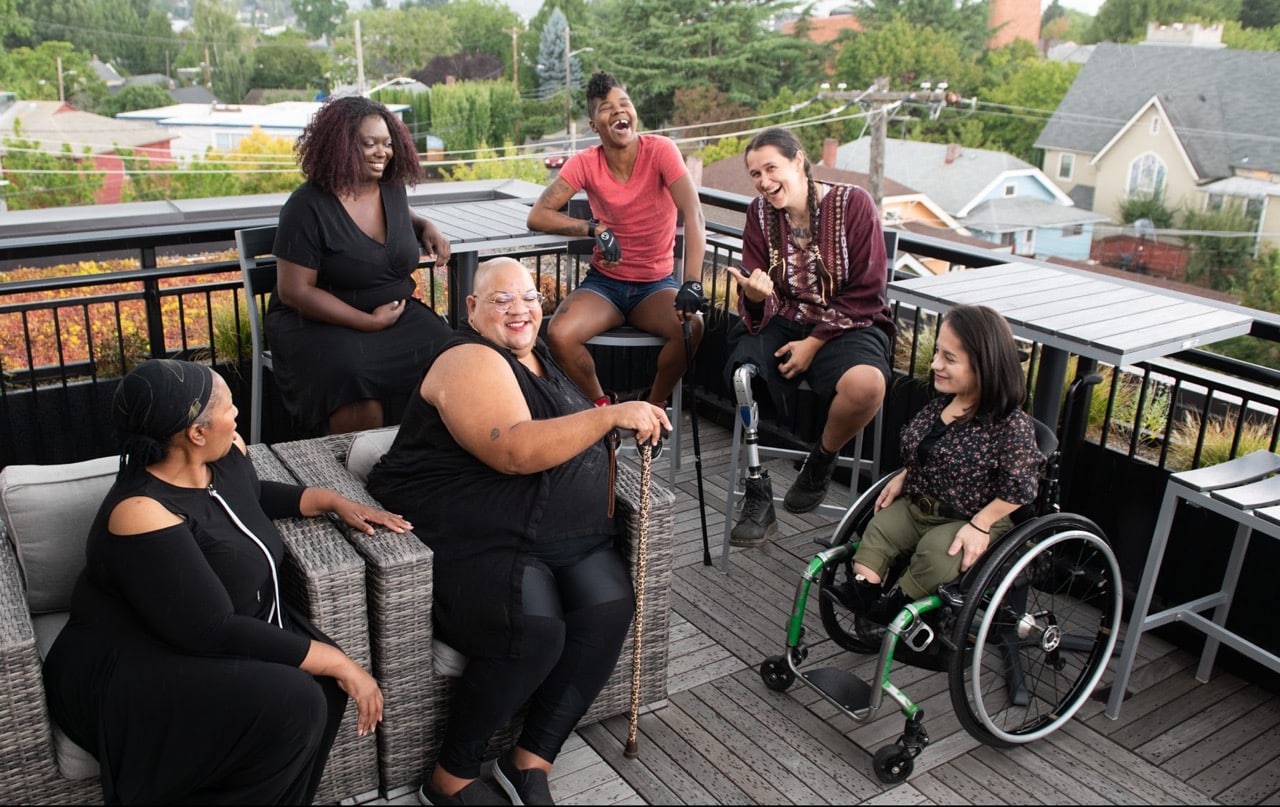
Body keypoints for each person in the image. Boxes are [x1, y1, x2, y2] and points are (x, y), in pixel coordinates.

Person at [367, 257, 670, 806]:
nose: (519, 308)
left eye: (529, 297)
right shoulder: (468, 358)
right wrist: (611, 416)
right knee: (533, 630)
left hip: (562, 531)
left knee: (609, 605)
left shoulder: (541, 357)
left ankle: (529, 760)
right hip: (478, 530)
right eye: (501, 299)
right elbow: (513, 450)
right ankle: (449, 779)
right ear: (472, 309)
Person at [42, 359, 409, 804]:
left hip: (213, 632)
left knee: (321, 693)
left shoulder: (223, 455)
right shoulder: (139, 511)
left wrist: (329, 499)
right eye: (229, 405)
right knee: (301, 697)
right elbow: (210, 628)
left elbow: (248, 497)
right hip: (134, 663)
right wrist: (337, 659)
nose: (238, 413)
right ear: (196, 433)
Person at [825, 304, 1045, 637]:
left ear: (984, 365)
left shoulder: (1010, 426)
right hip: (922, 503)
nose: (935, 365)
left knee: (938, 554)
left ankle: (896, 605)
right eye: (937, 353)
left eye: (949, 358)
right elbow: (925, 448)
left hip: (973, 516)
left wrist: (980, 525)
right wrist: (906, 473)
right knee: (879, 529)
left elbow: (1020, 488)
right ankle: (865, 596)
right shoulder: (943, 403)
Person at [724, 127, 894, 547]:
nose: (763, 181)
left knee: (867, 384)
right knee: (742, 377)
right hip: (784, 316)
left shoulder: (853, 204)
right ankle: (757, 489)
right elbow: (758, 285)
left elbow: (869, 289)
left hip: (848, 321)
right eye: (755, 174)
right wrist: (754, 294)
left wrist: (814, 342)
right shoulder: (758, 214)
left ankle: (821, 460)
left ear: (798, 161)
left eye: (771, 168)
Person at [267, 95, 454, 436]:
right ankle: (354, 471)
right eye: (369, 143)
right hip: (319, 322)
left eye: (387, 143)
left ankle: (422, 457)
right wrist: (367, 323)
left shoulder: (391, 188)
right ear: (340, 145)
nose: (382, 152)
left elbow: (400, 218)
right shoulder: (306, 207)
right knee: (352, 377)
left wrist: (425, 226)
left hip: (393, 315)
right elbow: (295, 291)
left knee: (450, 352)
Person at [527, 70, 707, 410]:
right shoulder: (585, 161)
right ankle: (602, 409)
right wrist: (594, 229)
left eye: (624, 103)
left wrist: (693, 283)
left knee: (693, 327)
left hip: (656, 286)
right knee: (559, 334)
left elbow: (694, 213)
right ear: (595, 125)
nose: (619, 111)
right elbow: (538, 215)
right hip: (605, 285)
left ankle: (652, 409)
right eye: (607, 108)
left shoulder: (662, 151)